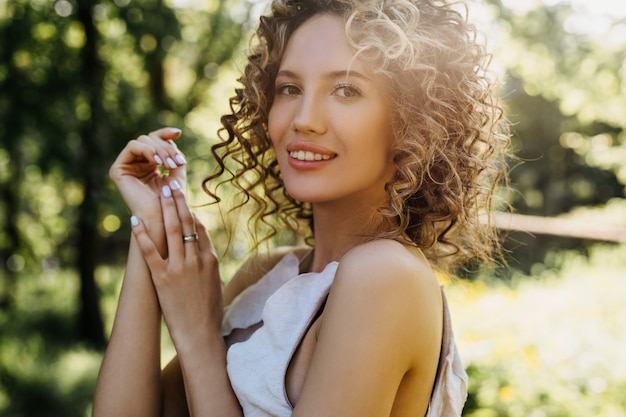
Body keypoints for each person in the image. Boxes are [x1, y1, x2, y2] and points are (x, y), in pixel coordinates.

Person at [93, 0, 509, 416]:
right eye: (289, 88)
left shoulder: (384, 276)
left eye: (346, 90)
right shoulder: (266, 278)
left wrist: (199, 338)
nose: (304, 119)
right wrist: (152, 223)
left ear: (412, 122)